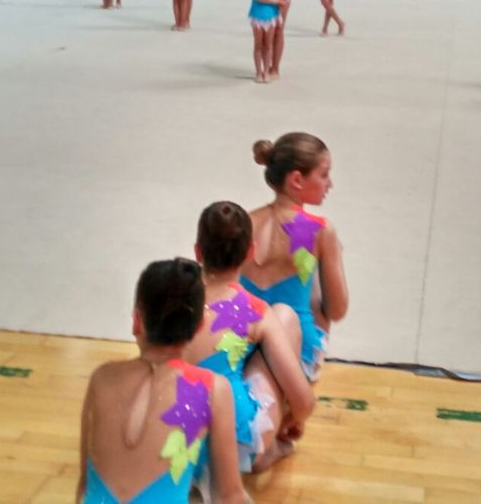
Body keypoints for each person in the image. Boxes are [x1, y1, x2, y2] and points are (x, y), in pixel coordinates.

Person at [75, 258, 247, 504]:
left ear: (137, 320)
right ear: (199, 326)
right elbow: (229, 496)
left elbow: (84, 487)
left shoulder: (101, 378)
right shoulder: (212, 389)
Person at [184, 202, 315, 473]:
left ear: (197, 251)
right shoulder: (254, 310)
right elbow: (304, 401)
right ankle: (269, 450)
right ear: (250, 252)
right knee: (285, 316)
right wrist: (294, 420)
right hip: (233, 450)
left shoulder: (175, 300)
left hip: (173, 448)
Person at [241, 134, 348, 381]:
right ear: (297, 180)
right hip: (295, 349)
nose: (330, 184)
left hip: (240, 346)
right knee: (316, 280)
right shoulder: (320, 230)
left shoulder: (244, 222)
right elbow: (337, 310)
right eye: (324, 175)